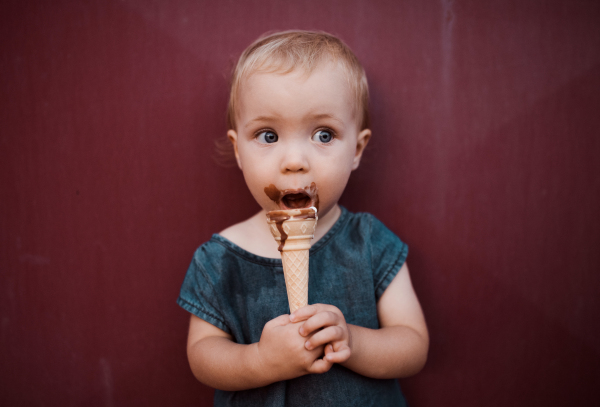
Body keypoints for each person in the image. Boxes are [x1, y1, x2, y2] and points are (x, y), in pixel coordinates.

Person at [177, 30, 429, 406]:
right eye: (267, 135)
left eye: (324, 135)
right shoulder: (219, 260)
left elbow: (413, 344)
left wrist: (354, 342)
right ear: (239, 150)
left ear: (356, 149)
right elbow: (202, 356)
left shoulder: (369, 242)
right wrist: (260, 360)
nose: (294, 161)